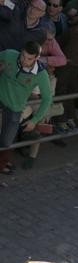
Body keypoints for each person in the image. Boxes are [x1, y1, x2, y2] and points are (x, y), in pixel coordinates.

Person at [0, 41, 52, 175]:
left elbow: (47, 98)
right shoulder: (10, 54)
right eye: (23, 56)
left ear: (36, 58)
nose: (24, 60)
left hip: (15, 108)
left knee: (6, 141)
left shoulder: (41, 75)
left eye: (29, 58)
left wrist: (35, 120)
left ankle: (2, 165)